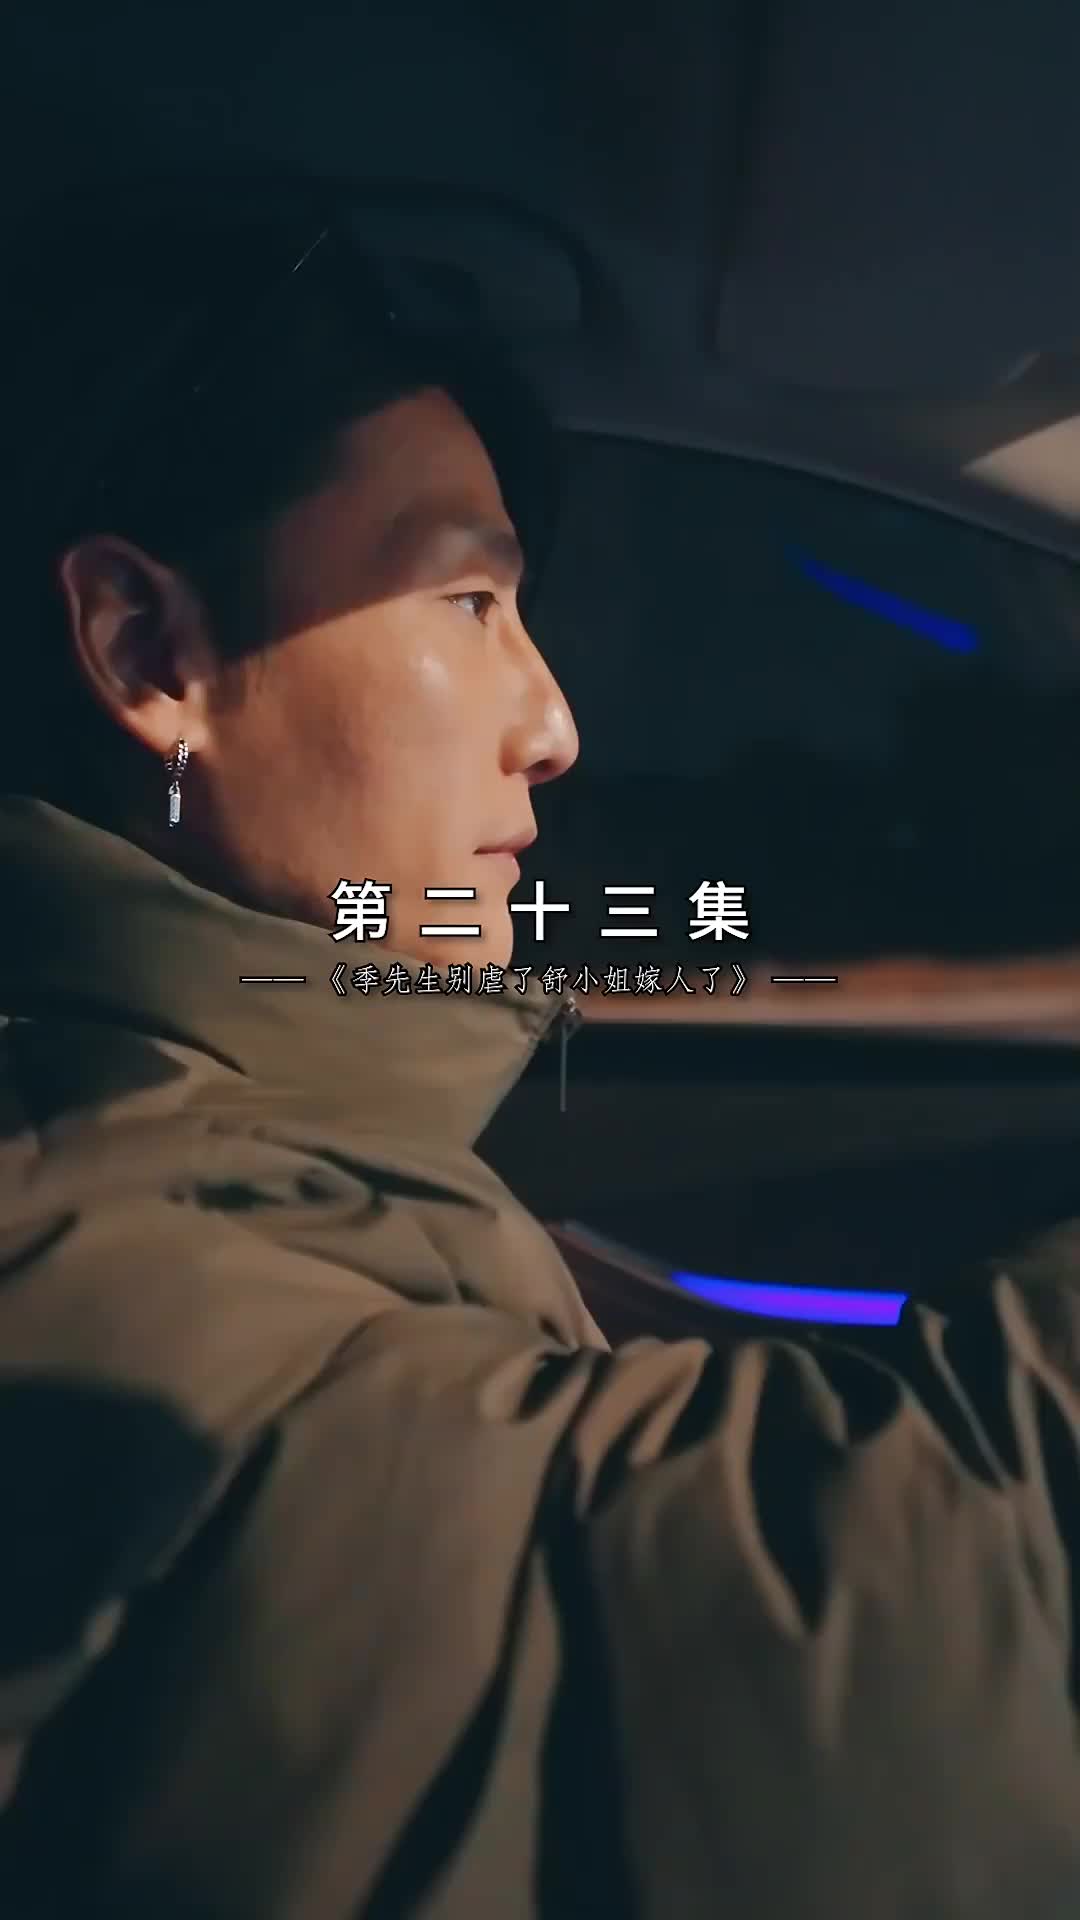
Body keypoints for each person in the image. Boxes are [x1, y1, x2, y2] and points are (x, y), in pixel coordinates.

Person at [0, 188, 1078, 1920]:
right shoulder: (98, 1261)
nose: (553, 721)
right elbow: (786, 1652)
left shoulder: (260, 1149)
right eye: (466, 601)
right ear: (147, 651)